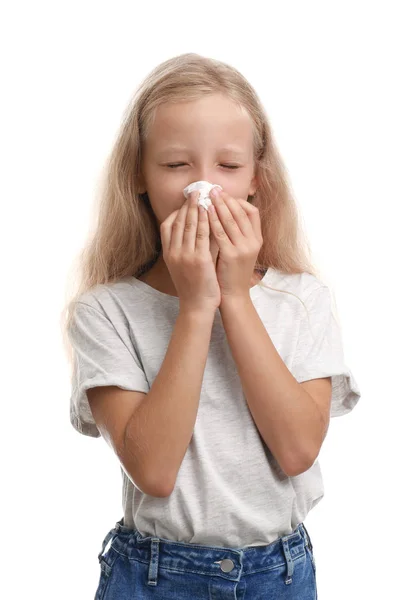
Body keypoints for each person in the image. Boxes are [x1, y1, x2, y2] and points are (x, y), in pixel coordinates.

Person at [62, 53, 361, 599]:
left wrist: (237, 298)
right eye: (176, 165)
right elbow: (152, 471)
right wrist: (198, 307)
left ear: (256, 180)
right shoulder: (105, 311)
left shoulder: (302, 300)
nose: (204, 188)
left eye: (228, 166)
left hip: (280, 576)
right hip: (152, 577)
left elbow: (297, 451)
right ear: (139, 176)